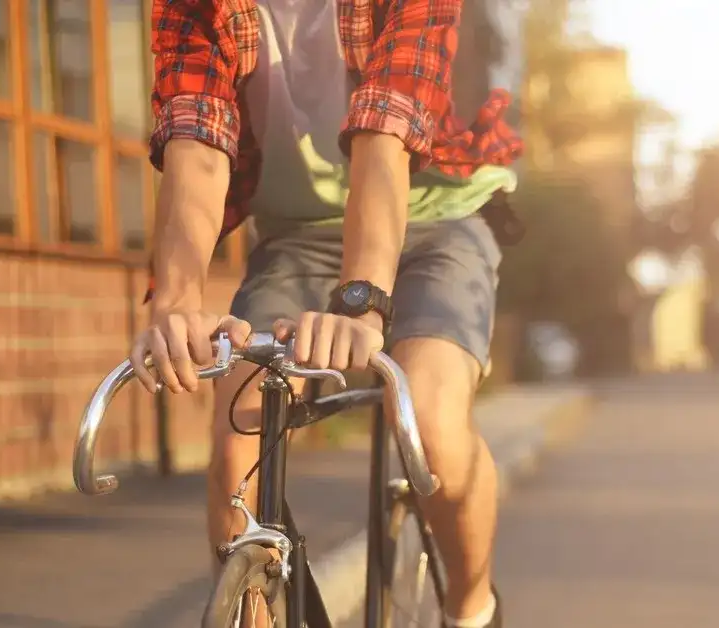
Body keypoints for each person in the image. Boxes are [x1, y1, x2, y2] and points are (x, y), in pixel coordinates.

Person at [127, 1, 522, 627]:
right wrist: (175, 303)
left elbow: (384, 135)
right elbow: (196, 144)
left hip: (438, 222)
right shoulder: (194, 7)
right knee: (239, 442)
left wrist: (360, 303)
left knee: (429, 418)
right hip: (298, 235)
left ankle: (472, 609)